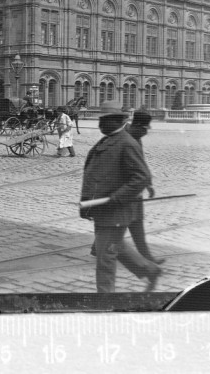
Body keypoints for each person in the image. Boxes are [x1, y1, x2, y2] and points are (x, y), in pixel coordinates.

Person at [80, 101, 163, 293]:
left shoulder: (127, 143)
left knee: (105, 260)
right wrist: (87, 205)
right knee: (118, 248)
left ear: (118, 121)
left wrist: (117, 197)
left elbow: (142, 177)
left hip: (114, 212)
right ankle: (150, 270)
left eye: (106, 120)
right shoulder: (107, 140)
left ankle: (106, 303)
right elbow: (94, 175)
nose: (101, 124)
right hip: (103, 210)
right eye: (100, 120)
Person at [126, 109, 165, 265]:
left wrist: (147, 184)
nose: (146, 133)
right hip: (123, 188)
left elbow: (140, 161)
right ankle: (146, 255)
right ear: (138, 125)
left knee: (133, 220)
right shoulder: (125, 137)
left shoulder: (135, 136)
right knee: (131, 221)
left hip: (133, 187)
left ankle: (145, 254)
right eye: (145, 129)